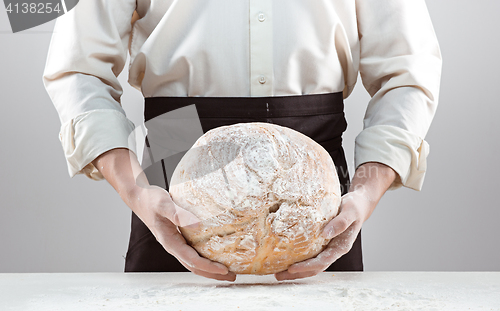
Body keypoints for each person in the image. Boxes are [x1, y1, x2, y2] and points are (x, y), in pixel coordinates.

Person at [42, 0, 442, 282]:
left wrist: (367, 190)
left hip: (310, 165)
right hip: (177, 140)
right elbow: (79, 70)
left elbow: (407, 72)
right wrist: (135, 189)